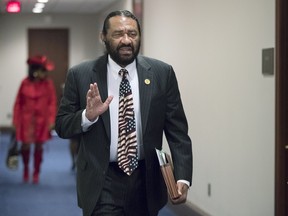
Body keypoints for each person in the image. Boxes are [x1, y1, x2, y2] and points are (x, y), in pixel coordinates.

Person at [55, 10, 192, 216]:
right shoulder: (80, 74)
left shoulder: (162, 73)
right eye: (118, 34)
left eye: (132, 34)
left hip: (146, 179)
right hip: (102, 181)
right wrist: (87, 116)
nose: (126, 40)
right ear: (103, 37)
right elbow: (62, 126)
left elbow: (177, 131)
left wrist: (182, 178)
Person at [13, 55, 57, 184]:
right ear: (35, 71)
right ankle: (26, 168)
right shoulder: (24, 83)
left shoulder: (48, 84)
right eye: (43, 71)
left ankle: (36, 172)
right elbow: (18, 103)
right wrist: (15, 120)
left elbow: (52, 102)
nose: (45, 74)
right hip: (26, 120)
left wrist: (51, 120)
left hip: (42, 120)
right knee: (25, 146)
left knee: (39, 146)